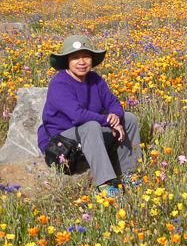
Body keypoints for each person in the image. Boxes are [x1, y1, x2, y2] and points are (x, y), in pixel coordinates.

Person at [37, 35, 141, 197]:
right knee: (91, 126)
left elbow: (113, 103)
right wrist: (107, 121)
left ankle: (128, 173)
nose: (81, 62)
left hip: (87, 135)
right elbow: (77, 116)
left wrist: (115, 117)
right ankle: (105, 185)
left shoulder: (95, 79)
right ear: (67, 61)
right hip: (62, 142)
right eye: (75, 57)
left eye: (86, 56)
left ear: (92, 59)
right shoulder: (59, 84)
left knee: (129, 118)